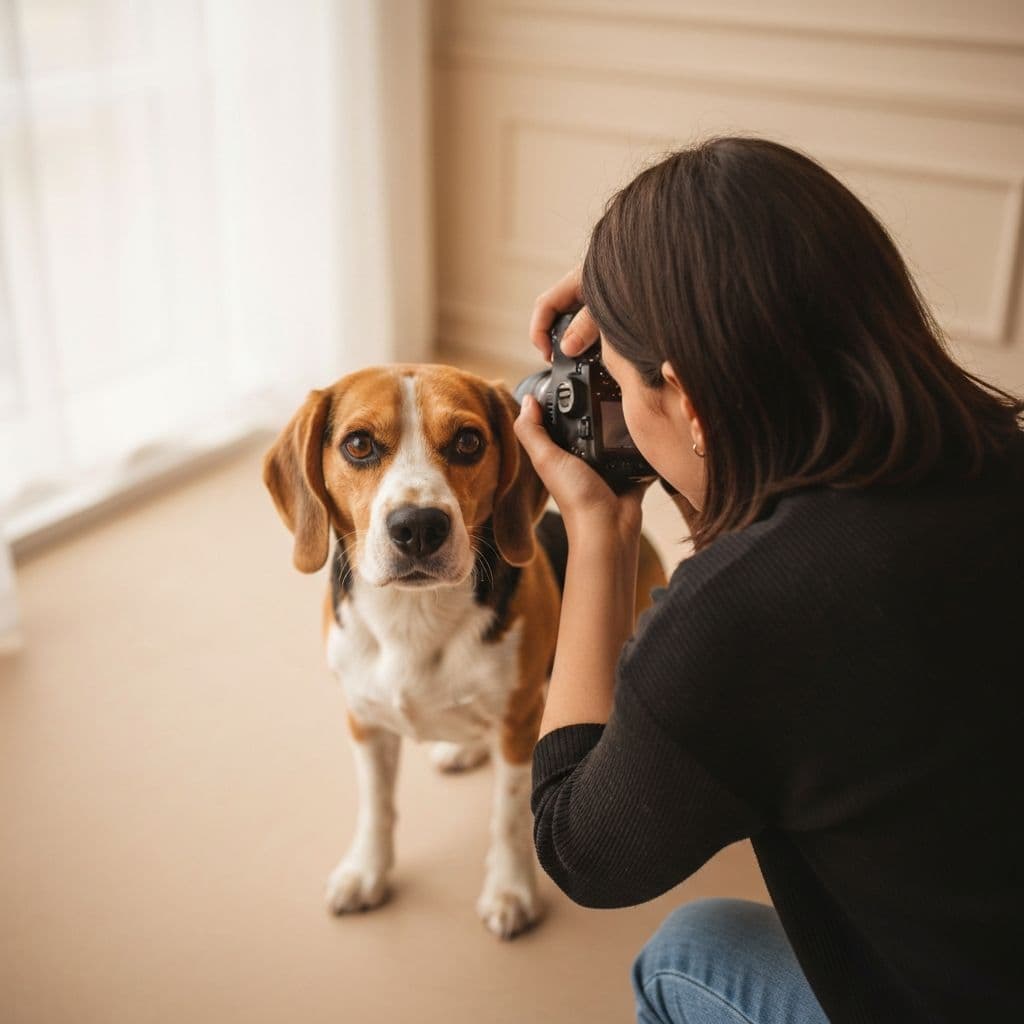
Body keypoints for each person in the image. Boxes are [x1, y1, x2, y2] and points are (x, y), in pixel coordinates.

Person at [512, 137, 1024, 1024]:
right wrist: (659, 286)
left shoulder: (740, 616)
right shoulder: (995, 453)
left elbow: (581, 850)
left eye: (626, 382)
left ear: (693, 401)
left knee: (684, 954)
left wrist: (600, 533)